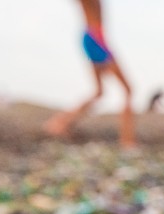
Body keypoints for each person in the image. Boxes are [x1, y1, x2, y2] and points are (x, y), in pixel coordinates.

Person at [43, 0, 135, 147]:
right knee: (128, 90)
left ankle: (59, 123)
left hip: (93, 38)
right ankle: (127, 141)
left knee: (99, 92)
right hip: (96, 39)